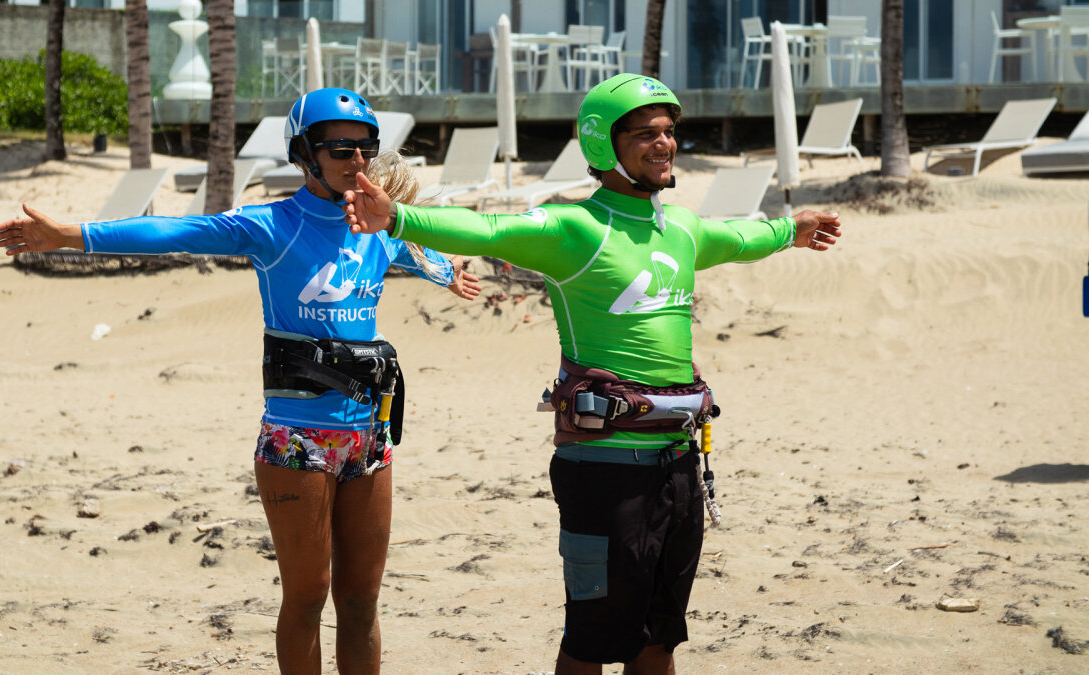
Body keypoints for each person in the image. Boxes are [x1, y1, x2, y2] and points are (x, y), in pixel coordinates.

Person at [343, 74, 841, 674]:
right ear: (604, 145)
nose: (664, 144)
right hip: (604, 472)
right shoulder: (576, 230)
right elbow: (490, 228)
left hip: (679, 463)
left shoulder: (680, 230)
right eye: (645, 134)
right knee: (592, 640)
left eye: (669, 132)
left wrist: (792, 230)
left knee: (659, 639)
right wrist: (398, 219)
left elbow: (740, 235)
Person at [0, 87, 481, 674]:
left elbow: (429, 247)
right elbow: (176, 232)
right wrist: (71, 235)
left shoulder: (380, 229)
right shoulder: (273, 226)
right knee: (307, 597)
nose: (356, 160)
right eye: (339, 148)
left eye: (365, 147)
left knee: (361, 600)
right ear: (306, 154)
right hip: (298, 439)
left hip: (370, 438)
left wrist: (451, 272)